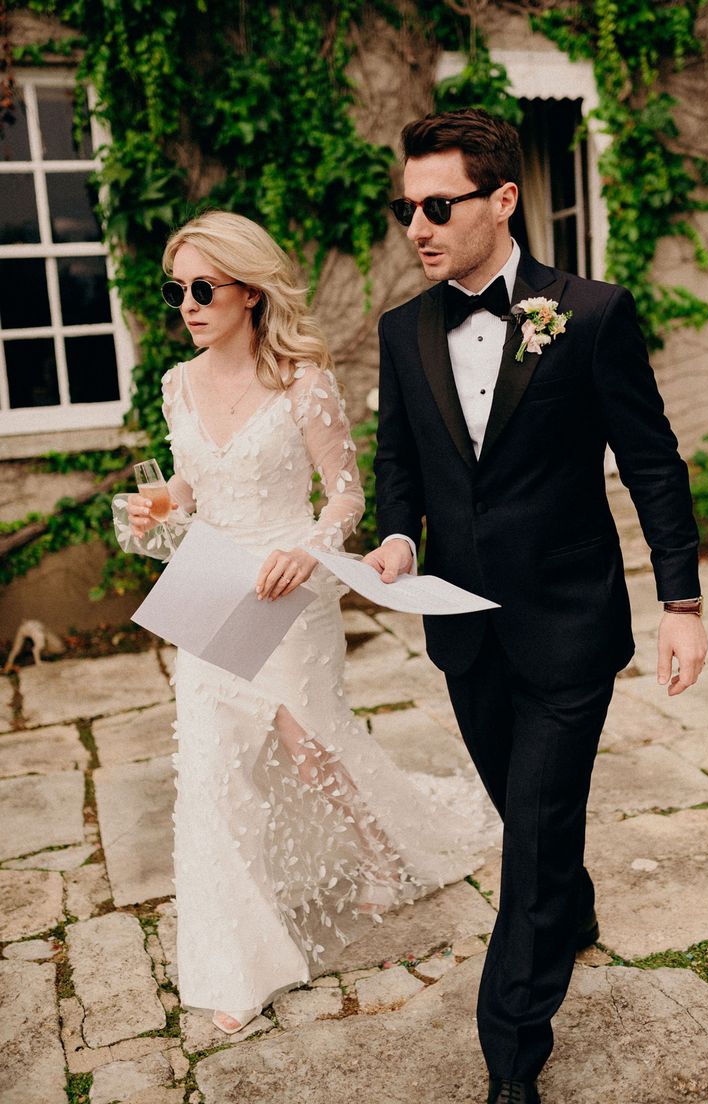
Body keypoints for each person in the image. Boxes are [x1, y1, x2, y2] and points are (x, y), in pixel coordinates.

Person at [364, 109, 708, 1104]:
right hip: (461, 630)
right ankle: (576, 906)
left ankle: (512, 1050)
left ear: (501, 199)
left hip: (567, 624)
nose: (417, 226)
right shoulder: (400, 330)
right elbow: (399, 462)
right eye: (405, 209)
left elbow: (651, 464)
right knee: (535, 815)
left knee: (530, 838)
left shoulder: (588, 314)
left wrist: (679, 601)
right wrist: (395, 533)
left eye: (438, 205)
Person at [112, 210, 493, 1037]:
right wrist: (160, 506)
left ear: (249, 290)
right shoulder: (176, 383)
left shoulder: (303, 383)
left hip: (291, 586)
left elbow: (347, 498)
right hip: (211, 584)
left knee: (307, 744)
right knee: (211, 767)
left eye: (203, 288)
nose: (187, 303)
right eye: (175, 289)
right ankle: (237, 963)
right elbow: (189, 485)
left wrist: (310, 551)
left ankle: (383, 850)